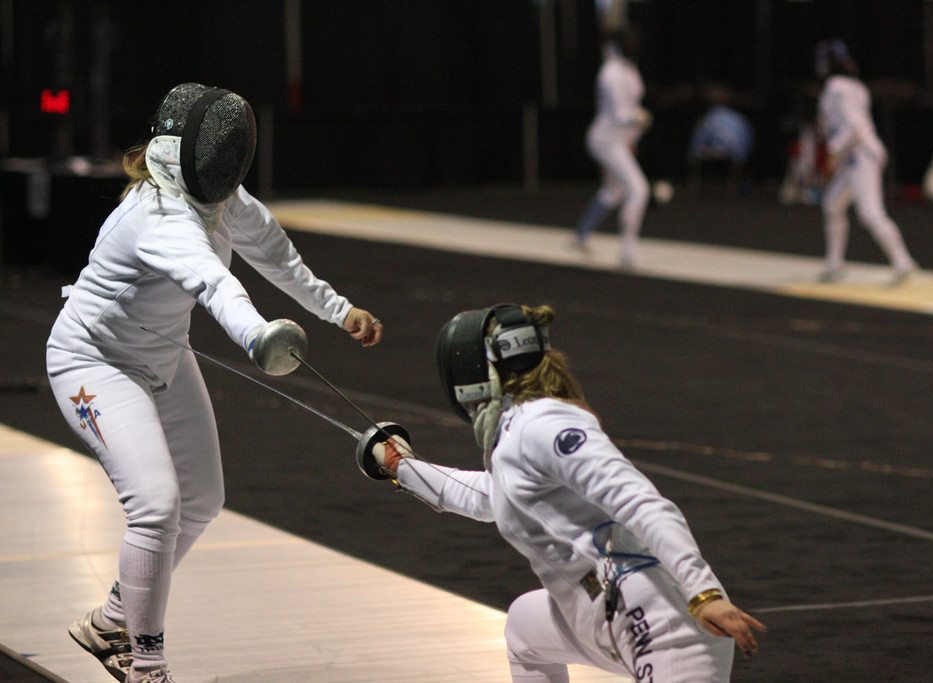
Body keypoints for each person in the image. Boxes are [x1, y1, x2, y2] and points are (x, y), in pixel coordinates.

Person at [46, 82, 383, 683]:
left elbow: (274, 254)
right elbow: (216, 284)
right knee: (155, 505)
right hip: (93, 362)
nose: (229, 166)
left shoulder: (219, 198)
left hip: (165, 357)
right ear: (188, 154)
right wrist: (257, 336)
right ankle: (147, 666)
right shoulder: (159, 217)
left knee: (202, 499)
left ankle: (108, 623)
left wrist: (338, 309)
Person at [364, 303, 765, 682]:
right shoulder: (516, 432)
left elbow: (641, 502)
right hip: (599, 610)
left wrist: (703, 592)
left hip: (665, 625)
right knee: (524, 628)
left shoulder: (543, 424)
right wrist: (403, 467)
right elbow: (493, 496)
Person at [814, 39, 919, 285]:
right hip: (859, 155)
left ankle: (903, 261)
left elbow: (853, 127)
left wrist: (832, 151)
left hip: (860, 156)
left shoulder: (836, 86)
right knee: (832, 203)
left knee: (870, 212)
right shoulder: (857, 87)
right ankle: (834, 264)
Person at [571, 27, 652, 270]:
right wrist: (640, 118)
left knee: (615, 190)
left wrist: (632, 139)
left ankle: (580, 235)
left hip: (619, 139)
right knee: (638, 190)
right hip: (605, 139)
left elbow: (631, 106)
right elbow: (620, 114)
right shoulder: (610, 73)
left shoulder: (629, 68)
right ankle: (627, 252)